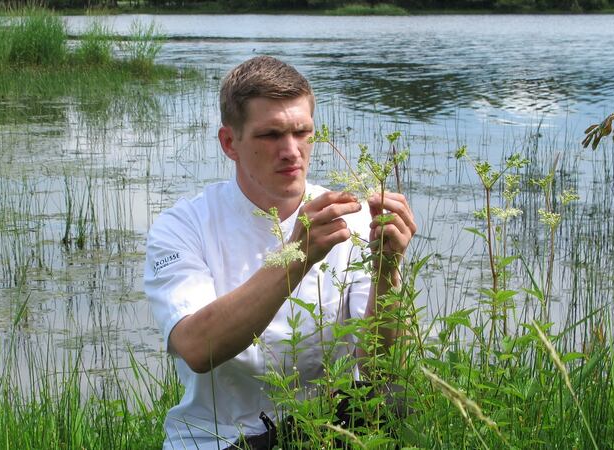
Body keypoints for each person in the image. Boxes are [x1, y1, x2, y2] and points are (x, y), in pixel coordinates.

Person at [144, 55, 417, 449]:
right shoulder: (183, 226)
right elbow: (196, 348)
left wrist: (387, 270)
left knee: (398, 402)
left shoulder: (350, 219)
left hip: (326, 425)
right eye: (270, 135)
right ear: (229, 143)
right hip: (222, 438)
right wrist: (296, 256)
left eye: (302, 132)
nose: (291, 151)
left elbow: (380, 369)